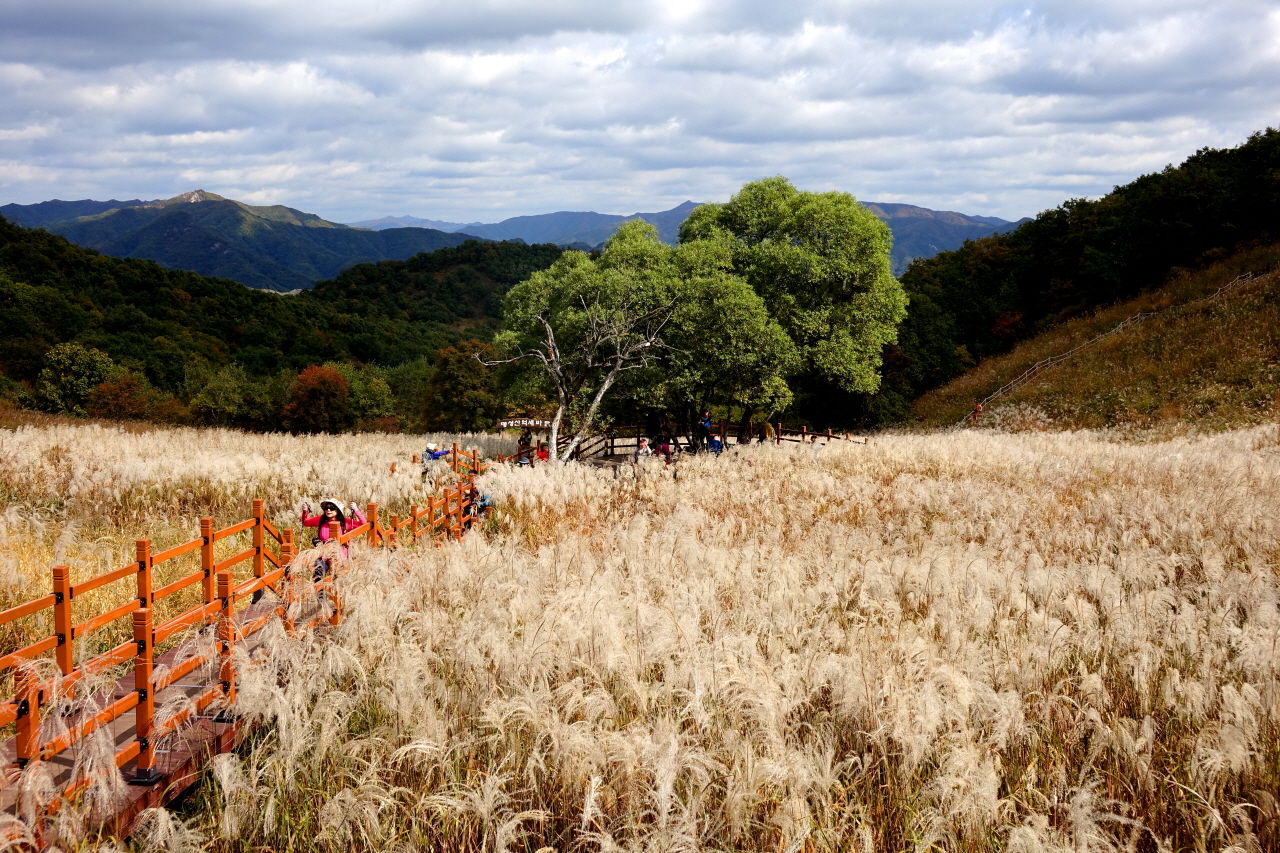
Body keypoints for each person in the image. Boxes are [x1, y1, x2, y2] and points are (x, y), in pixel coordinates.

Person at [300, 497, 367, 582]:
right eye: (326, 508)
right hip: (324, 555)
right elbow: (306, 522)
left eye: (332, 508)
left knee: (338, 580)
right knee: (318, 573)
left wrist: (356, 510)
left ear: (338, 510)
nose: (328, 510)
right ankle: (320, 594)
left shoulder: (345, 522)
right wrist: (305, 511)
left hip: (340, 556)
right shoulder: (321, 520)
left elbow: (364, 524)